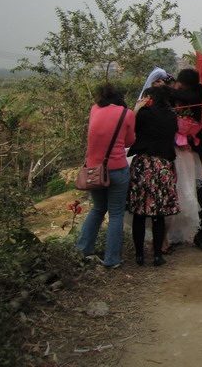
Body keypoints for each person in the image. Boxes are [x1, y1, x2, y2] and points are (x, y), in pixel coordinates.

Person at [75, 84, 137, 269]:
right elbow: (129, 142)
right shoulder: (127, 114)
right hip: (117, 169)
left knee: (97, 209)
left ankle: (82, 250)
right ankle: (112, 259)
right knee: (116, 213)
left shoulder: (94, 109)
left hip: (94, 170)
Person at [127, 86, 179, 267]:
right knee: (159, 213)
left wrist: (137, 109)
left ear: (148, 98)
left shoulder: (144, 114)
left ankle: (140, 256)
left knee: (139, 213)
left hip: (143, 165)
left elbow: (129, 129)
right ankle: (157, 255)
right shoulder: (172, 116)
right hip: (163, 166)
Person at [175, 68, 202, 252]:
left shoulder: (197, 93)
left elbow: (190, 97)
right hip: (179, 150)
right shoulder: (181, 95)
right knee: (186, 191)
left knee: (198, 190)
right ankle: (177, 233)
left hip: (192, 150)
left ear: (181, 83)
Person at [163, 85, 202, 251]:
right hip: (175, 157)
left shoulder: (180, 112)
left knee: (183, 193)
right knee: (176, 193)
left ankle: (175, 235)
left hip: (183, 158)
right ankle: (167, 237)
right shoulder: (167, 115)